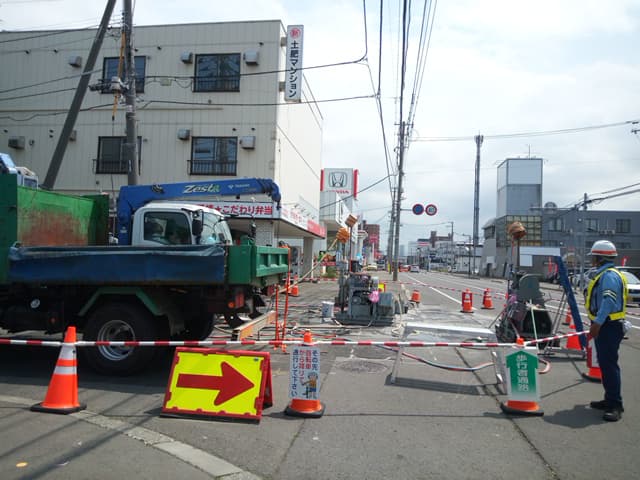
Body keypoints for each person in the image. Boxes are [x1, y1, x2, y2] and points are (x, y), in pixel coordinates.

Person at [585, 239, 628, 422]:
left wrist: (597, 323)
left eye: (593, 257)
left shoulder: (609, 276)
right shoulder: (605, 274)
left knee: (609, 365)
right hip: (607, 325)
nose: (592, 260)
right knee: (605, 364)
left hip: (609, 326)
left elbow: (608, 301)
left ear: (600, 258)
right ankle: (609, 399)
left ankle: (615, 405)